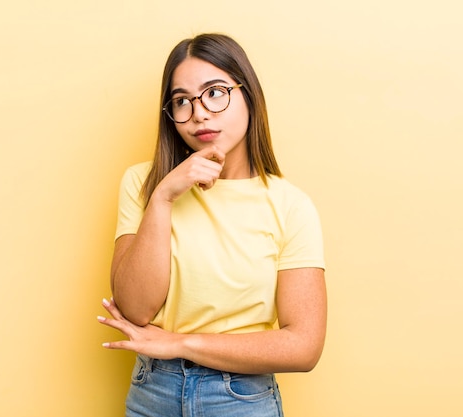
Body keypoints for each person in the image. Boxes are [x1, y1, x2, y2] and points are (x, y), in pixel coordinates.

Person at [97, 33, 326, 417]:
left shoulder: (291, 206)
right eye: (181, 101)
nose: (199, 113)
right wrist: (163, 198)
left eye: (215, 92)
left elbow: (303, 346)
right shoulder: (144, 183)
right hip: (153, 392)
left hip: (240, 398)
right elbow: (134, 310)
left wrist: (182, 343)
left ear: (248, 94)